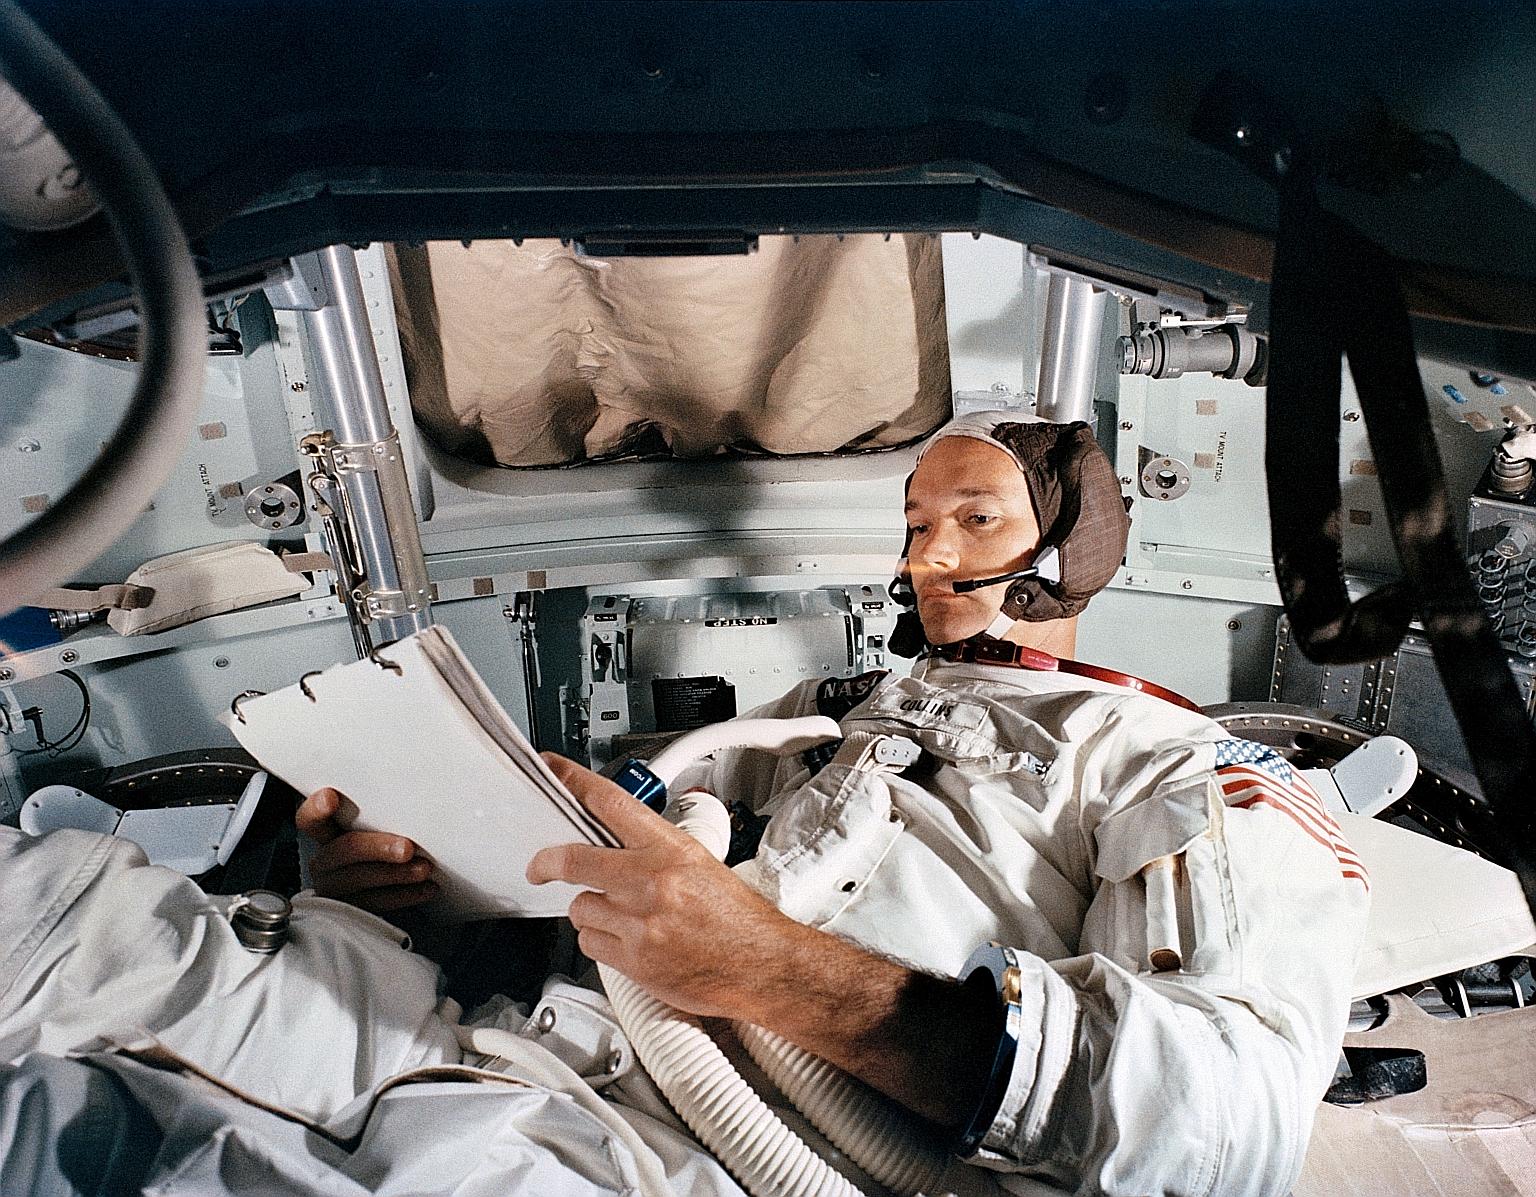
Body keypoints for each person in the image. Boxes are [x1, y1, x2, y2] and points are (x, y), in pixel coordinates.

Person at [298, 410, 1371, 1196]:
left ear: (1071, 549)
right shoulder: (829, 710)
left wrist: (765, 967)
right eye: (915, 523)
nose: (929, 555)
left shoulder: (1170, 761)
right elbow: (618, 848)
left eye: (976, 520)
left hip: (727, 1158)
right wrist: (418, 889)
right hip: (531, 1064)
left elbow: (1228, 1125)